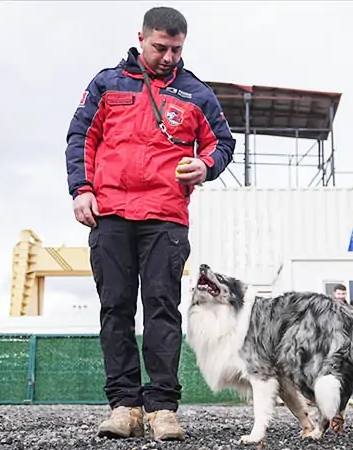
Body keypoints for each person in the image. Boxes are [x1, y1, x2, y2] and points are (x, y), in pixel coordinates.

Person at [64, 6, 235, 441]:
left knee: (163, 309)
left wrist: (206, 165)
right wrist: (81, 189)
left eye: (176, 49)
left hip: (165, 217)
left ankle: (162, 409)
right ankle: (124, 406)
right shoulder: (107, 84)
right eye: (160, 47)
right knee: (115, 309)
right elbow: (82, 135)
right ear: (141, 37)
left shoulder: (197, 93)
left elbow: (222, 142)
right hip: (111, 213)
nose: (168, 57)